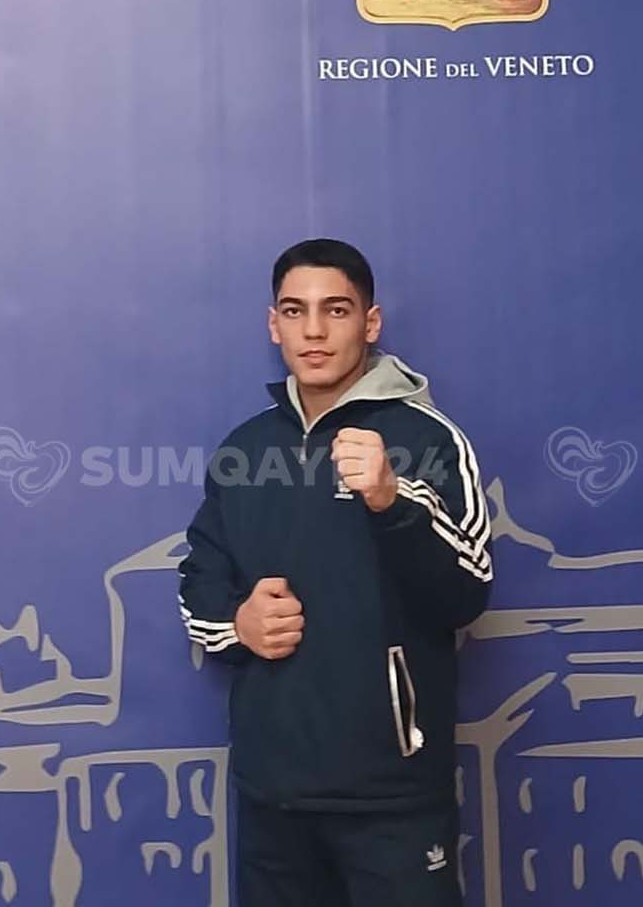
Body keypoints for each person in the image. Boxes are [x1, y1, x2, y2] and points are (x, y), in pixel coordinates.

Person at [177, 238, 493, 906]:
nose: (314, 331)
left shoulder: (427, 440)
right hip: (273, 795)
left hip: (394, 797)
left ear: (370, 323)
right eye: (295, 311)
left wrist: (392, 500)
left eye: (336, 310)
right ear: (274, 325)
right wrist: (238, 624)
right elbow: (199, 578)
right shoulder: (245, 449)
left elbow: (467, 592)